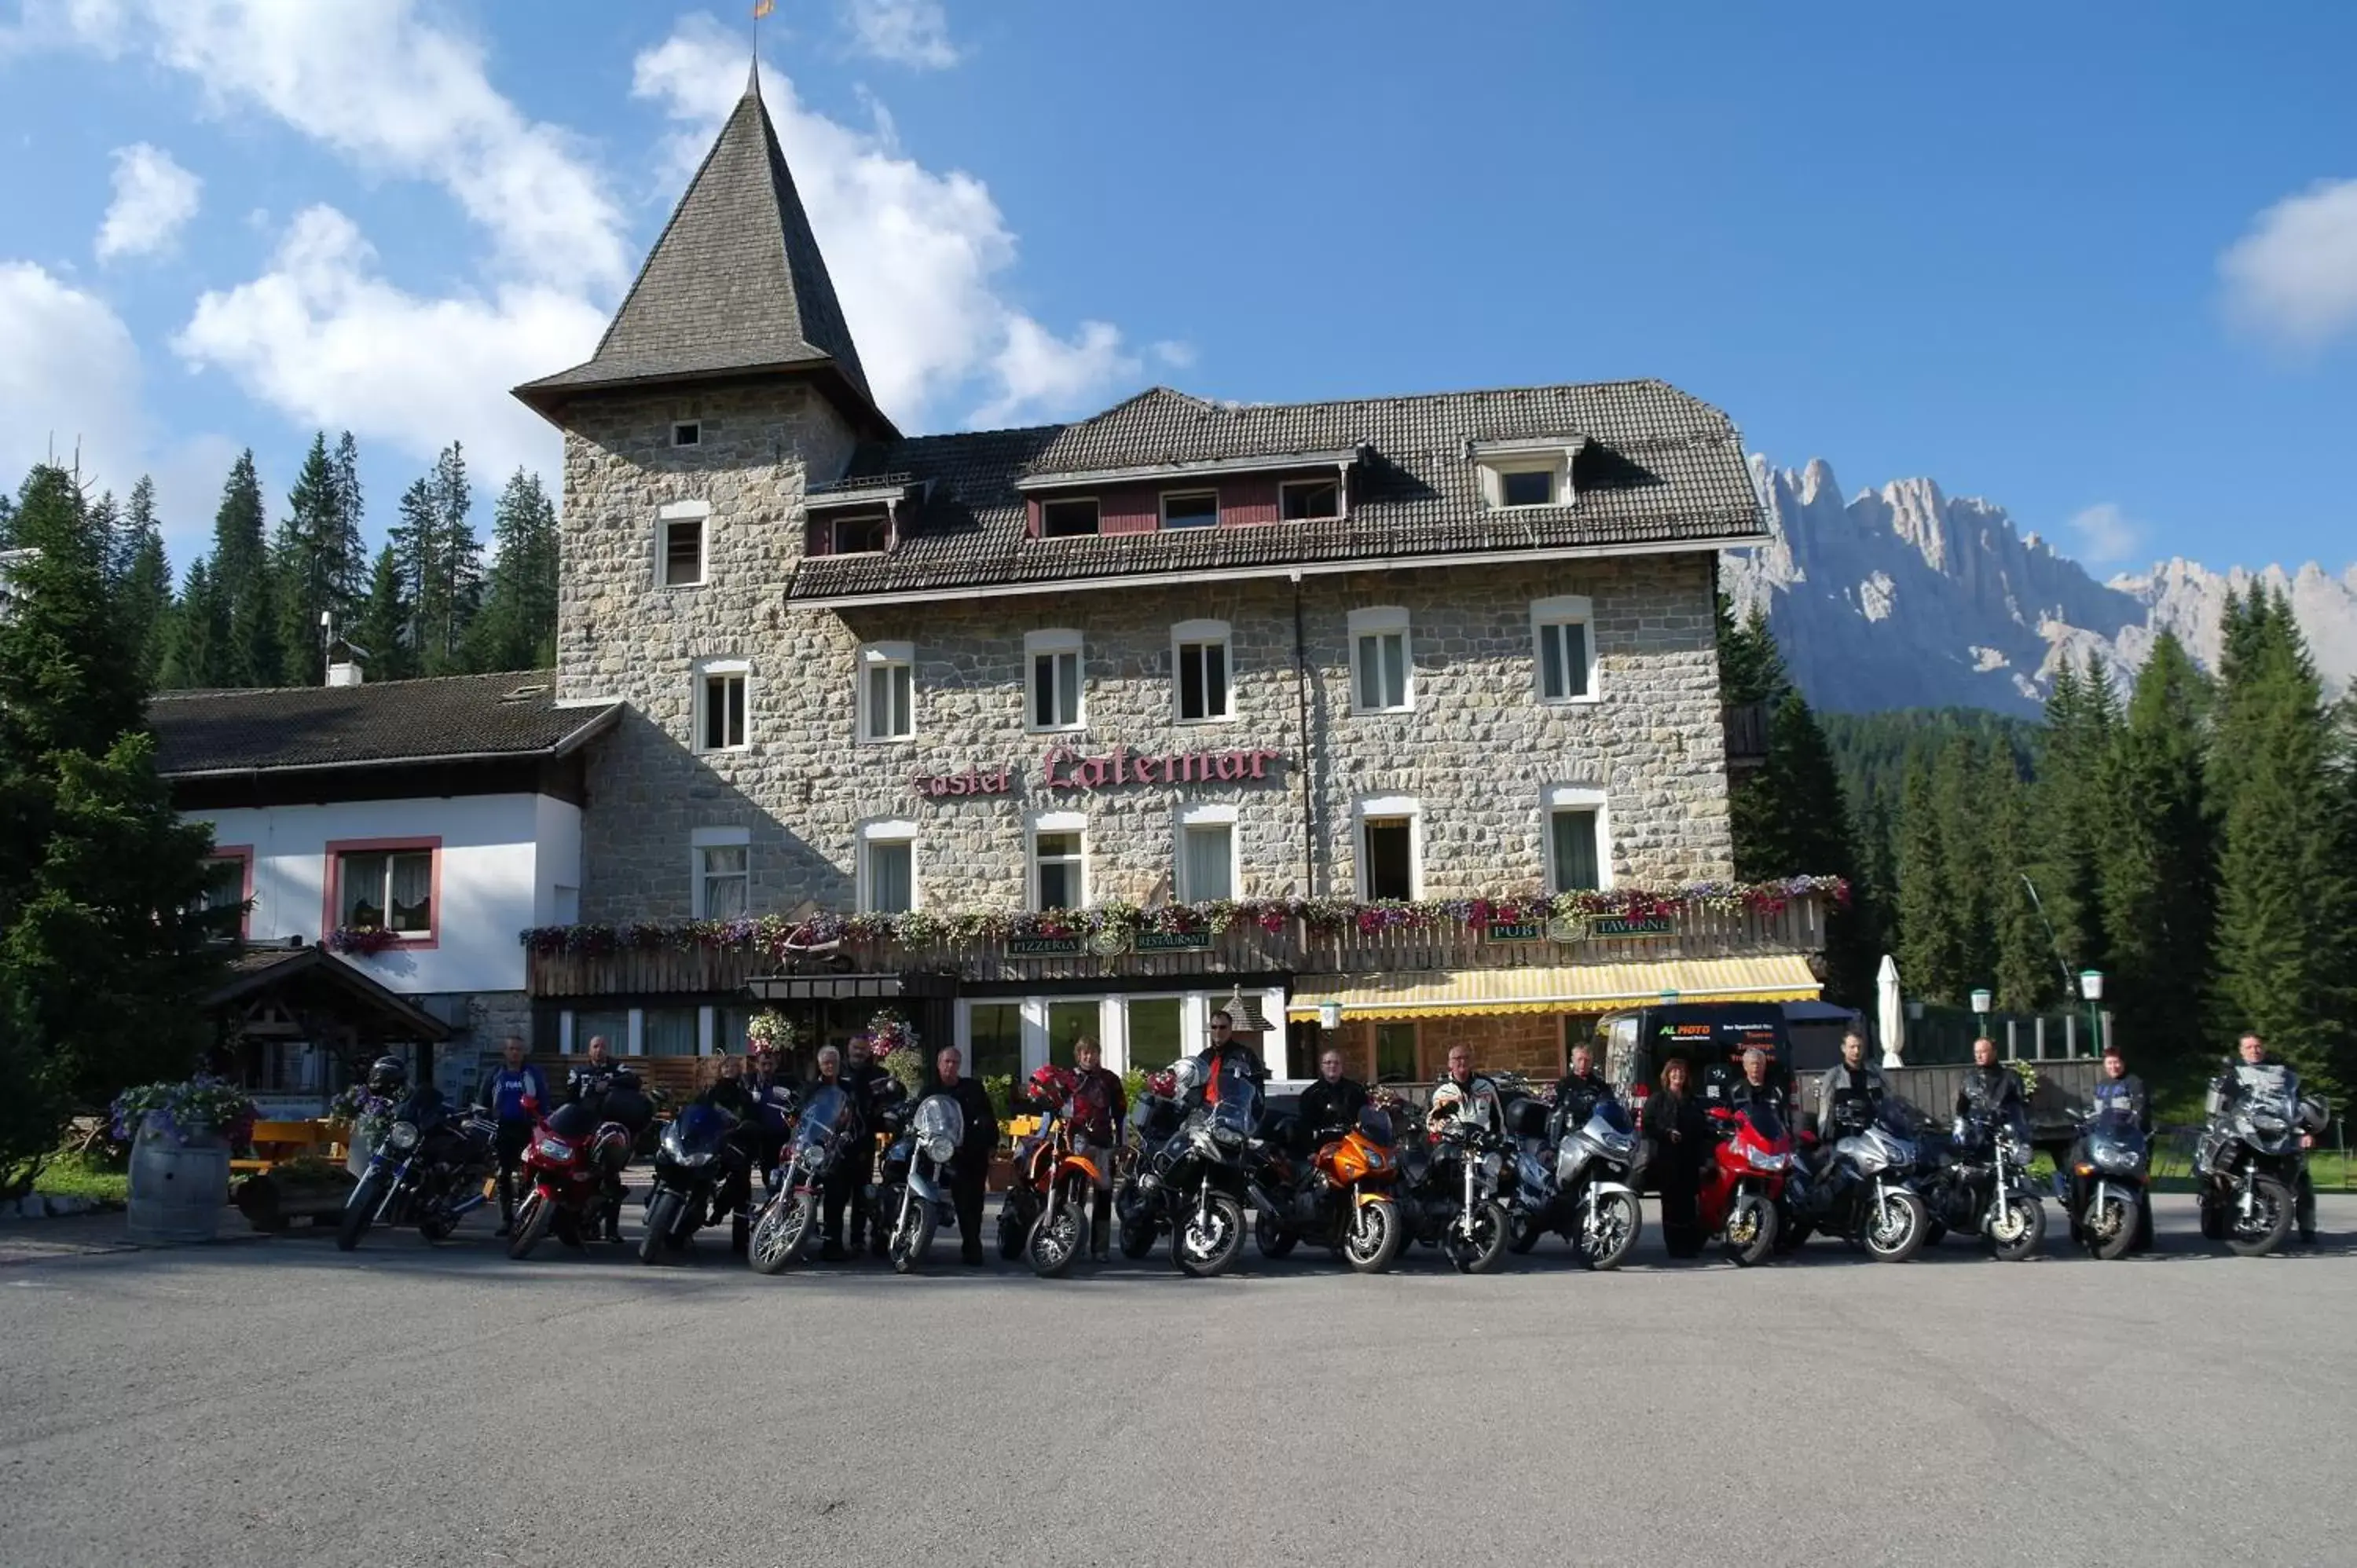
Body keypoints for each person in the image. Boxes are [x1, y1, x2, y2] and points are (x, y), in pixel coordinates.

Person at [2212, 1031, 2317, 1246]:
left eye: (2257, 1046)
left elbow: (2298, 1105)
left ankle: (2308, 1229)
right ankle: (2215, 1215)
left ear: (2264, 1048)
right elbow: (2223, 1106)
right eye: (2249, 1047)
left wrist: (2306, 1131)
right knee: (2217, 1170)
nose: (2254, 1051)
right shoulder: (2234, 1075)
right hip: (2246, 1132)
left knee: (2302, 1178)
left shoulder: (2282, 1075)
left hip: (2279, 1133)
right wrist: (2223, 1123)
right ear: (2241, 1051)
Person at [923, 1046, 1000, 1266]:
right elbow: (918, 1118)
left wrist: (992, 1143)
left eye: (955, 1062)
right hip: (936, 1152)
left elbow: (988, 1116)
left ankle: (972, 1245)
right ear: (939, 1064)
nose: (951, 1066)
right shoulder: (929, 1091)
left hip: (967, 1152)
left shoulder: (973, 1088)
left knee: (972, 1202)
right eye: (947, 1062)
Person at [2076, 1040, 2154, 1251]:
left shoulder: (2134, 1082)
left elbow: (2140, 1112)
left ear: (2123, 1063)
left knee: (2137, 1186)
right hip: (2106, 1142)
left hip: (2131, 1142)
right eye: (2109, 1063)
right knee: (2084, 1175)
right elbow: (2097, 1115)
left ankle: (2142, 1238)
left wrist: (2135, 1131)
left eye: (2116, 1063)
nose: (2113, 1067)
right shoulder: (2102, 1085)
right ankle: (2083, 1228)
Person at [472, 1036, 548, 1237]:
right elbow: (482, 1103)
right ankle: (506, 1220)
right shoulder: (495, 1074)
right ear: (505, 1052)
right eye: (511, 1049)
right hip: (502, 1130)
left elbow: (544, 1103)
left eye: (518, 1049)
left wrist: (544, 1124)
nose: (515, 1053)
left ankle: (526, 1218)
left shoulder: (533, 1074)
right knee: (503, 1176)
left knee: (528, 1176)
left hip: (527, 1130)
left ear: (524, 1052)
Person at [1069, 1038, 1128, 1262]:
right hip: (1077, 1145)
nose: (1088, 1057)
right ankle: (1074, 1245)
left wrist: (1122, 1143)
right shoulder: (1070, 1079)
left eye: (1093, 1052)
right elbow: (1057, 1108)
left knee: (1103, 1197)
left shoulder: (1110, 1079)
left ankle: (1100, 1249)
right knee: (1075, 1196)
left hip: (1103, 1144)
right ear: (1078, 1055)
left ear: (1098, 1055)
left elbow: (1121, 1113)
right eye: (1084, 1053)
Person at [1644, 1058, 1709, 1258]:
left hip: (1689, 1157)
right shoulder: (1657, 1099)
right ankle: (1674, 1246)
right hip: (1667, 1157)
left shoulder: (1693, 1101)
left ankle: (1690, 1245)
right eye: (1674, 1072)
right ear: (1667, 1075)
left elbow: (1702, 1130)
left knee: (1689, 1203)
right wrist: (1666, 1134)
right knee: (1671, 1203)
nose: (1677, 1076)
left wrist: (1704, 1159)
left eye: (1681, 1073)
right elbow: (1648, 1125)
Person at [841, 1035, 894, 1255]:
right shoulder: (837, 1072)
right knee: (837, 1192)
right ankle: (831, 1238)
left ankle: (858, 1239)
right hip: (837, 1140)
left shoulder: (879, 1075)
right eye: (855, 1047)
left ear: (869, 1051)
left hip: (864, 1139)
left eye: (863, 1049)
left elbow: (890, 1101)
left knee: (863, 1192)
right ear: (848, 1048)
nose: (859, 1052)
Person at [805, 1046, 858, 1262]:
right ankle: (790, 1237)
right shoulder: (811, 1089)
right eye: (826, 1062)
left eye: (833, 1062)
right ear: (819, 1064)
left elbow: (855, 1114)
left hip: (836, 1149)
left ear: (839, 1064)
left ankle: (832, 1243)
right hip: (811, 1148)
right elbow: (800, 1113)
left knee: (836, 1197)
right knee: (795, 1189)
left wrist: (850, 1127)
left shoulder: (847, 1088)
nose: (829, 1066)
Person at [1818, 1030, 1890, 1143]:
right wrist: (1825, 1138)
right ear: (1843, 1048)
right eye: (1852, 1047)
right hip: (1844, 1135)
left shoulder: (1876, 1073)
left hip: (1874, 1134)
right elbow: (1826, 1109)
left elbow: (1889, 1101)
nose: (1856, 1051)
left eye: (1859, 1047)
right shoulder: (1834, 1076)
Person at [1297, 1050, 1370, 1149]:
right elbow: (1305, 1127)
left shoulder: (1356, 1090)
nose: (1332, 1066)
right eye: (1328, 1063)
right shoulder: (1310, 1094)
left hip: (1354, 1146)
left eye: (1336, 1063)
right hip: (1323, 1148)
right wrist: (1311, 1151)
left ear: (1342, 1067)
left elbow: (1367, 1118)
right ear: (1322, 1067)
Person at [1428, 1045, 1503, 1135]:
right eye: (1458, 1059)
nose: (1463, 1062)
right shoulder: (1440, 1089)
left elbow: (1499, 1118)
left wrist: (1500, 1141)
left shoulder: (1487, 1085)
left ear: (1472, 1062)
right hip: (1451, 1143)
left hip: (1482, 1143)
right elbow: (1430, 1119)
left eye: (1466, 1058)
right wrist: (1437, 1125)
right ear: (1450, 1063)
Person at [1550, 1043, 1615, 1140]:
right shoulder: (1564, 1085)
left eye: (1587, 1060)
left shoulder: (1600, 1085)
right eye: (1579, 1059)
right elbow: (1555, 1113)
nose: (1583, 1064)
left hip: (1596, 1133)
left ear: (1591, 1061)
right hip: (1571, 1134)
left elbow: (1611, 1106)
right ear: (1573, 1060)